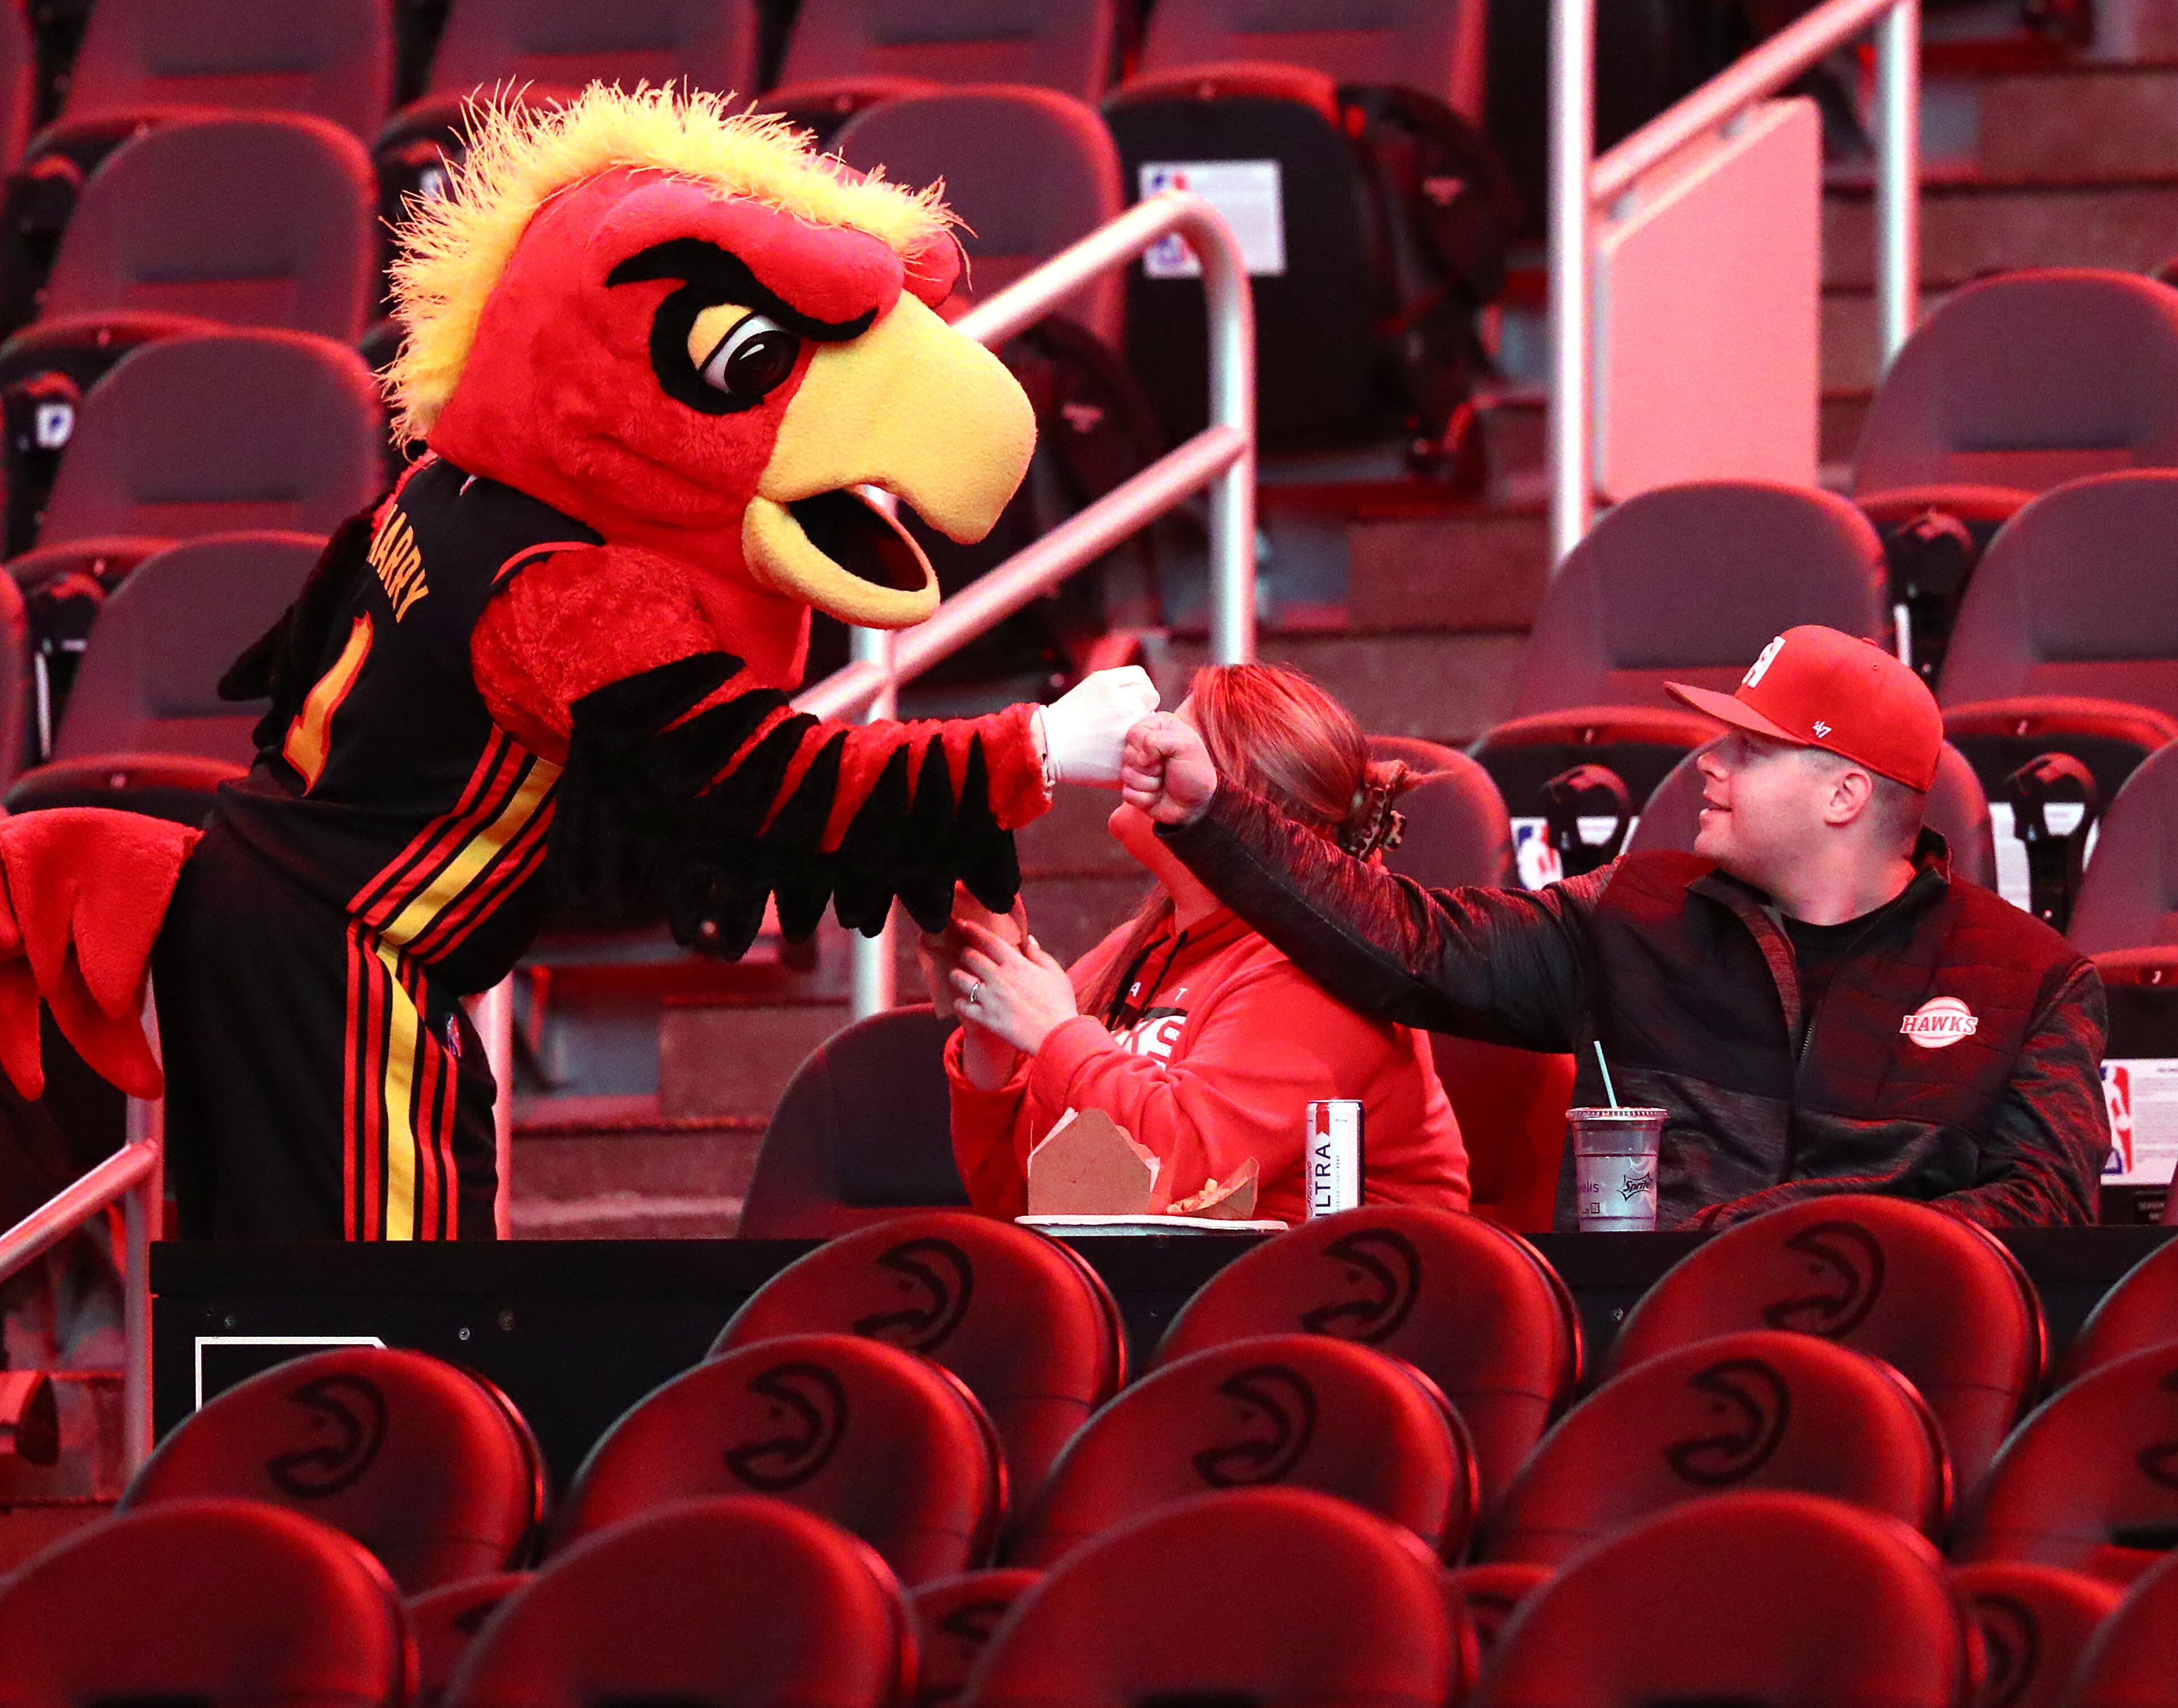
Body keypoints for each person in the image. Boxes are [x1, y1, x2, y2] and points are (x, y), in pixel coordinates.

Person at [1118, 626, 2111, 1229]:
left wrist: (1783, 1235)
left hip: (1905, 1370)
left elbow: (2045, 1213)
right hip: (1646, 1364)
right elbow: (1407, 944)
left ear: (1846, 795)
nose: (1709, 764)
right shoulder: (1636, 914)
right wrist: (1214, 811)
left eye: (1749, 749)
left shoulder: (2029, 978)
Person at [921, 664, 1471, 1224]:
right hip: (1177, 1292)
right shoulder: (1138, 945)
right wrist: (991, 1028)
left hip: (1334, 1297)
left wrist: (1058, 1034)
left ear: (1241, 800)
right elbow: (1025, 1201)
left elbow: (1181, 1171)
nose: (1136, 745)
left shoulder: (1323, 966)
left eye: (1171, 738)